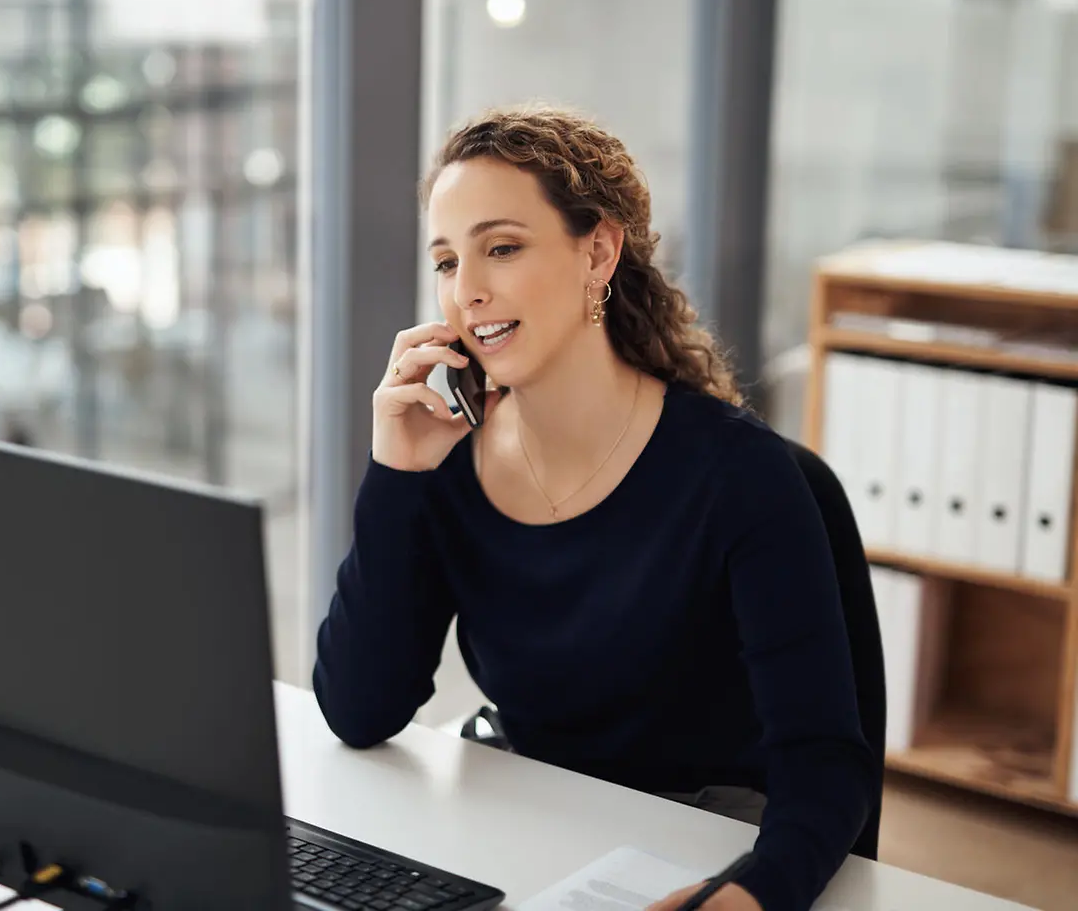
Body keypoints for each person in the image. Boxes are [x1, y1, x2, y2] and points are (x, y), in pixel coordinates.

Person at [312, 107, 880, 911]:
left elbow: (826, 763)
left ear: (598, 252)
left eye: (501, 248)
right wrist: (395, 473)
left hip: (707, 837)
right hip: (530, 825)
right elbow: (358, 709)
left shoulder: (741, 477)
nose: (467, 291)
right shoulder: (447, 461)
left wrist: (748, 898)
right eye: (446, 261)